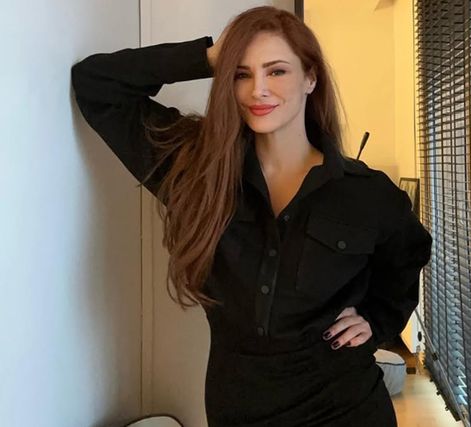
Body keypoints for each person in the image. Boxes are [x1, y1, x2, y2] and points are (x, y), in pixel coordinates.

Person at [71, 5, 432, 427]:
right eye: (241, 74)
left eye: (276, 71)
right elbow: (97, 84)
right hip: (239, 409)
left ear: (310, 78)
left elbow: (408, 254)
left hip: (347, 408)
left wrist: (376, 318)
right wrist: (209, 56)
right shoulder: (195, 172)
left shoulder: (366, 193)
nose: (258, 89)